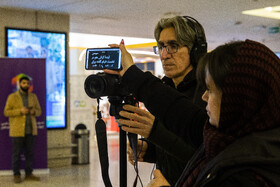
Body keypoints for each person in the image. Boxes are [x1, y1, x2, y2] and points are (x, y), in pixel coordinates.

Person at [114, 39, 280, 186]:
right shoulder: (231, 136)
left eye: (210, 90)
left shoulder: (244, 175)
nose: (204, 96)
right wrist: (131, 74)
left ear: (240, 97)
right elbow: (182, 114)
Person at [121, 16, 208, 185]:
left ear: (196, 50)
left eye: (173, 46)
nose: (164, 55)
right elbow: (173, 147)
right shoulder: (166, 89)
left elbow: (202, 155)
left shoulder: (206, 94)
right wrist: (149, 149)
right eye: (161, 47)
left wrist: (155, 132)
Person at [4, 76, 42, 183]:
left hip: (31, 130)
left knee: (30, 153)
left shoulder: (33, 97)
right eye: (24, 83)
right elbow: (6, 112)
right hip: (17, 131)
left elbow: (39, 111)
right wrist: (20, 111)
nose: (26, 85)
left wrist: (33, 112)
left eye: (27, 83)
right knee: (16, 153)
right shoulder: (12, 97)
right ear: (19, 84)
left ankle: (29, 174)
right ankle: (16, 174)